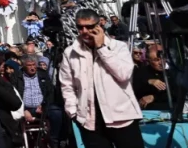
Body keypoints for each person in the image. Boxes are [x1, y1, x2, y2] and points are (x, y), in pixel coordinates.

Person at [59, 9, 142, 148]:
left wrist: (101, 48)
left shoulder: (119, 47)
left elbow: (124, 75)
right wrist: (73, 113)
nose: (84, 31)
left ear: (99, 26)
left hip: (122, 117)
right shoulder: (70, 52)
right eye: (80, 27)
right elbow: (67, 85)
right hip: (90, 121)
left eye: (89, 27)